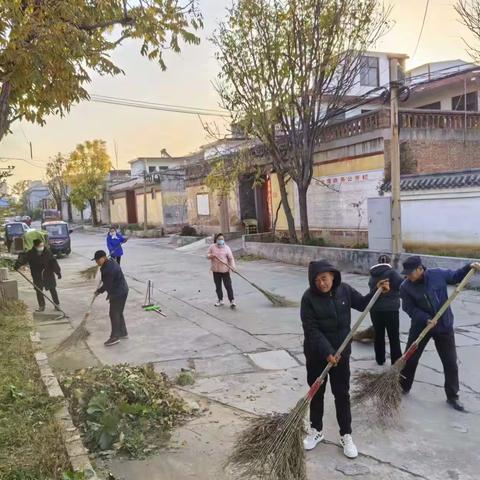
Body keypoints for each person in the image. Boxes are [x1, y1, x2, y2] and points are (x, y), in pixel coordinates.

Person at [301, 259, 389, 458]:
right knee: (317, 392)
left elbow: (363, 304)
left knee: (342, 394)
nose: (321, 283)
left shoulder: (345, 291)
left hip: (341, 355)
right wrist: (327, 351)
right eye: (317, 281)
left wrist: (378, 292)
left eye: (324, 278)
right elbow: (311, 329)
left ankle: (346, 435)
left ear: (332, 275)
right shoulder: (308, 298)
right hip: (317, 354)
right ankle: (317, 430)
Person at [399, 256, 480, 411]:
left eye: (411, 273)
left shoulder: (438, 274)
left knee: (450, 362)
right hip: (421, 327)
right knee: (410, 358)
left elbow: (456, 276)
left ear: (420, 269)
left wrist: (469, 266)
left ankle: (452, 396)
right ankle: (403, 387)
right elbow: (408, 308)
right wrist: (425, 318)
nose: (408, 276)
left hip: (443, 325)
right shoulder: (405, 286)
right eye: (406, 273)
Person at [368, 254, 403, 365]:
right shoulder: (392, 273)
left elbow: (371, 288)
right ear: (389, 262)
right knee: (393, 336)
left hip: (375, 310)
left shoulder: (372, 275)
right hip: (391, 310)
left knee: (378, 335)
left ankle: (380, 359)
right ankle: (396, 362)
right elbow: (402, 286)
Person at [93, 250, 129, 347]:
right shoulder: (110, 262)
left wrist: (99, 291)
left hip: (118, 292)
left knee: (114, 314)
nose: (96, 263)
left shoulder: (108, 269)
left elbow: (108, 285)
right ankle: (123, 332)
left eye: (97, 260)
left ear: (103, 258)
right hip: (122, 290)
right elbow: (108, 282)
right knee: (118, 312)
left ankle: (115, 337)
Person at [15, 239, 61, 312]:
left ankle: (57, 305)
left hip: (48, 273)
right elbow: (23, 258)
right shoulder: (31, 253)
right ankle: (41, 306)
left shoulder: (47, 252)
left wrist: (58, 272)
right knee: (39, 290)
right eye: (39, 246)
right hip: (37, 274)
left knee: (52, 289)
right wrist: (18, 264)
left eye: (42, 245)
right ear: (35, 246)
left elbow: (53, 262)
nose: (41, 247)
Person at [207, 233, 236, 308]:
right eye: (219, 239)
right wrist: (210, 256)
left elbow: (231, 258)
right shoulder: (212, 247)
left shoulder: (227, 248)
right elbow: (207, 255)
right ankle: (220, 300)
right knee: (218, 286)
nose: (221, 240)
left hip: (225, 271)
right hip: (216, 271)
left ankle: (232, 300)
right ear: (216, 240)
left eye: (222, 239)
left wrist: (233, 266)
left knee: (228, 286)